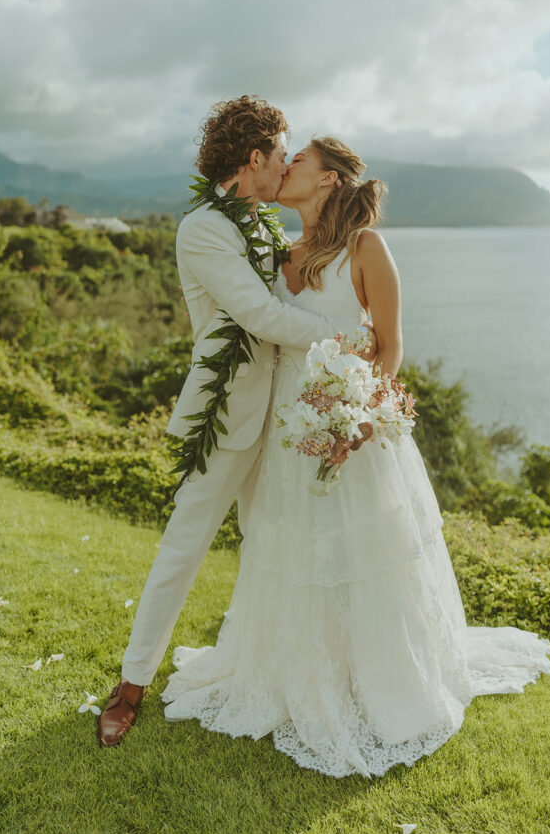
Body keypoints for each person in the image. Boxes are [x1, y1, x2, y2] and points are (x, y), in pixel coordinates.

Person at [160, 136, 550, 779]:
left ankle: (378, 676)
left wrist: (361, 414)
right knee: (293, 547)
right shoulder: (280, 255)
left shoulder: (366, 248)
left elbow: (391, 345)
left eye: (299, 163)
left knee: (363, 553)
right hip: (288, 424)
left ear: (329, 181)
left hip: (352, 422)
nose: (285, 169)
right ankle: (301, 674)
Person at [99, 101, 372, 747]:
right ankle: (130, 686)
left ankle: (280, 676)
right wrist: (347, 339)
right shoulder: (203, 228)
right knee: (182, 547)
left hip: (287, 415)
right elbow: (259, 314)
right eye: (281, 154)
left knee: (276, 549)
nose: (286, 164)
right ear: (253, 159)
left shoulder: (262, 225)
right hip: (225, 417)